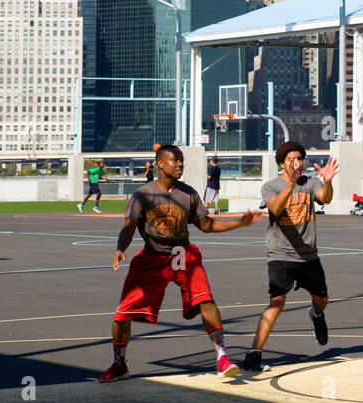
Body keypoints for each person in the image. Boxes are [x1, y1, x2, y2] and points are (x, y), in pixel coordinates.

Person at [99, 145, 261, 383]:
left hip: (180, 254)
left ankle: (222, 357)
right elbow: (129, 224)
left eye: (182, 161)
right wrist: (120, 249)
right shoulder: (143, 194)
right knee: (122, 314)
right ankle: (119, 364)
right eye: (175, 160)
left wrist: (239, 222)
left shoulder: (189, 193)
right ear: (160, 163)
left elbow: (205, 224)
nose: (180, 164)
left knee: (205, 299)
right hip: (152, 256)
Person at [241, 141, 339, 373]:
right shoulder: (271, 186)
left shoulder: (310, 183)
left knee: (321, 299)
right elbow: (275, 208)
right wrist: (292, 183)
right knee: (277, 301)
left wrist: (327, 180)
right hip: (281, 254)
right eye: (291, 159)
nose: (296, 163)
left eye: (299, 158)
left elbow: (325, 198)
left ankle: (316, 314)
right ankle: (254, 353)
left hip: (308, 256)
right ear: (281, 164)